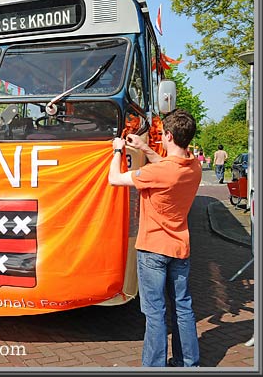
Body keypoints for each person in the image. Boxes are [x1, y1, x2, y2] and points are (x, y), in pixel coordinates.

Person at [108, 109, 201, 367]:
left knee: (155, 313)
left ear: (168, 135)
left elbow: (114, 179)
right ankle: (188, 363)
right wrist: (145, 148)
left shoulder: (156, 174)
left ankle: (154, 367)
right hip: (180, 249)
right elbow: (168, 166)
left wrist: (118, 150)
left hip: (152, 251)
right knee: (183, 308)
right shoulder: (194, 166)